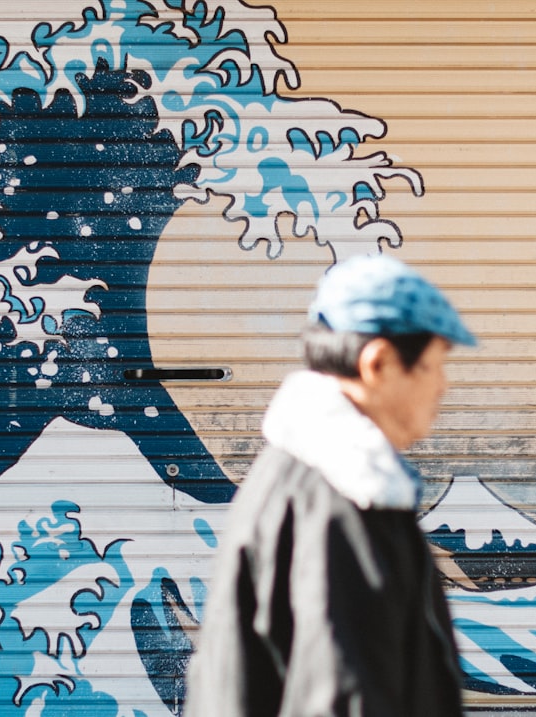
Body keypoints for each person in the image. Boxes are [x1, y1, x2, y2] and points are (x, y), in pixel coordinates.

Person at [184, 253, 475, 717]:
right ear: (377, 364)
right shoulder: (342, 502)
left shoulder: (297, 477)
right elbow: (344, 696)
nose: (443, 386)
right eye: (433, 366)